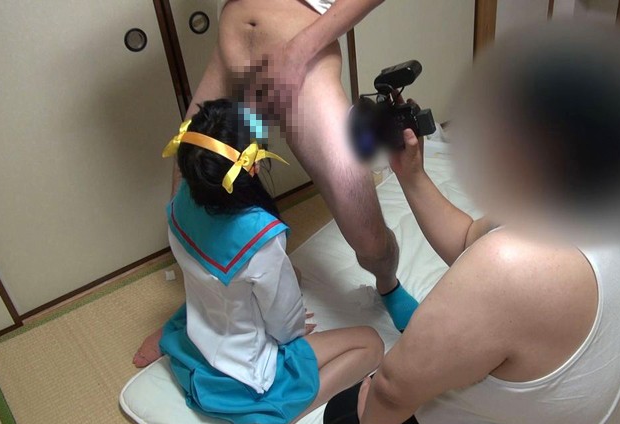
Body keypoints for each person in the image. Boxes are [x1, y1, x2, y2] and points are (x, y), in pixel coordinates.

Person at [323, 23, 620, 424]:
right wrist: (412, 174)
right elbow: (469, 239)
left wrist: (371, 404)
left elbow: (391, 393)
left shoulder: (509, 261)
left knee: (345, 413)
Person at [134, 0, 417, 368]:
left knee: (369, 236)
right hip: (231, 53)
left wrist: (298, 50)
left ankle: (388, 284)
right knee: (187, 200)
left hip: (305, 58)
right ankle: (204, 310)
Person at [157, 99, 383, 424]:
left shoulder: (180, 201)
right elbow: (284, 324)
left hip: (198, 349)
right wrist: (293, 328)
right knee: (372, 343)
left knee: (286, 275)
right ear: (253, 166)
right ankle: (276, 420)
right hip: (247, 374)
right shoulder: (260, 236)